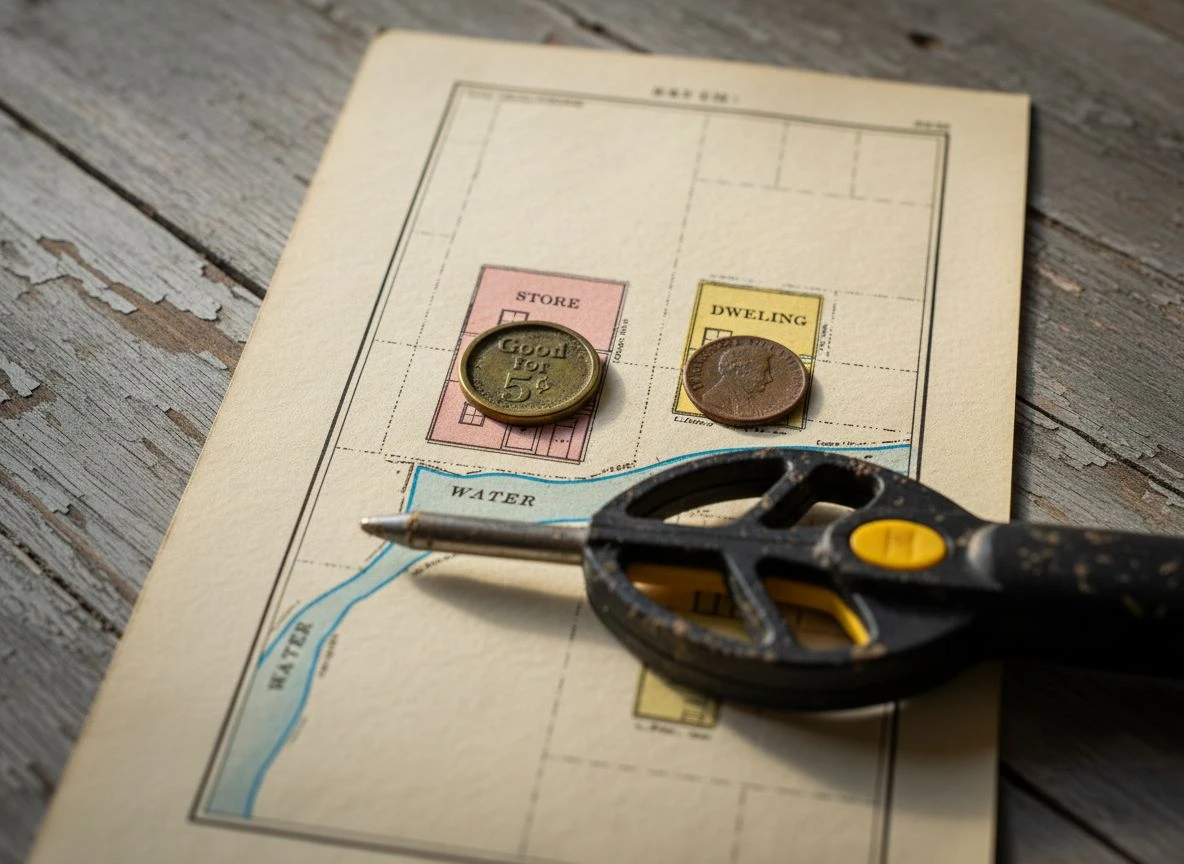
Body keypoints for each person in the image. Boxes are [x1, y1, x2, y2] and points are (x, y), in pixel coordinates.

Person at [699, 344, 774, 416]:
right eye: (763, 372)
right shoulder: (713, 400)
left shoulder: (747, 398)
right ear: (740, 372)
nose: (769, 379)